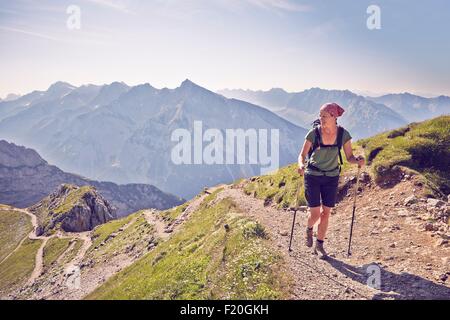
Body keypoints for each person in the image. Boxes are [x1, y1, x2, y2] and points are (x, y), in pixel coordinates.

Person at [297, 102, 365, 258]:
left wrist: (358, 161)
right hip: (313, 175)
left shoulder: (343, 135)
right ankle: (309, 229)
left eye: (324, 116)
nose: (321, 119)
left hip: (332, 177)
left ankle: (319, 245)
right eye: (320, 116)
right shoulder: (313, 133)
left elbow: (349, 157)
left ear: (334, 117)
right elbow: (302, 155)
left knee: (326, 213)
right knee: (315, 214)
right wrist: (301, 165)